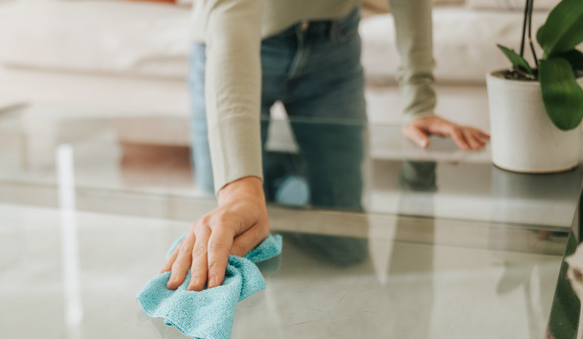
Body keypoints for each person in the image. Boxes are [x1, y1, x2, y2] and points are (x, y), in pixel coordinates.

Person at [161, 0, 490, 291]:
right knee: (226, 239)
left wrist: (419, 101)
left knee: (345, 248)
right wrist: (238, 189)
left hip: (332, 44)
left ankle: (278, 181)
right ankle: (269, 179)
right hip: (230, 42)